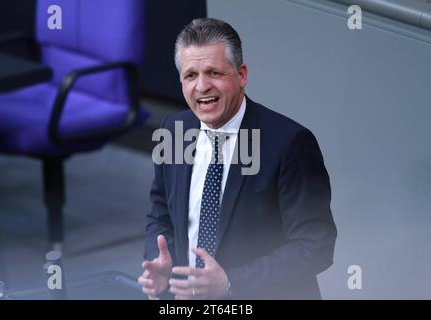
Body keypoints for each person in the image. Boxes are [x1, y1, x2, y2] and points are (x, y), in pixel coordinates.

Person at [138, 17, 337, 300]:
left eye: (214, 73)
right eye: (191, 75)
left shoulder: (290, 144)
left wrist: (232, 283)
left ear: (241, 75)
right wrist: (162, 262)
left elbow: (315, 245)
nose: (202, 86)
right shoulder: (174, 130)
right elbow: (160, 214)